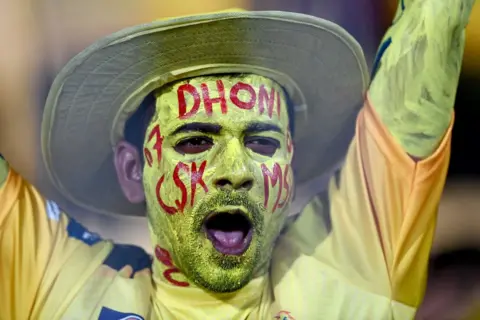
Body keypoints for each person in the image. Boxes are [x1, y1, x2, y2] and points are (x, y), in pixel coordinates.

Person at [0, 1, 475, 319]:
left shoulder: (346, 274)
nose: (236, 170)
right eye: (194, 142)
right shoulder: (69, 289)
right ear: (131, 170)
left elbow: (430, 36)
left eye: (262, 143)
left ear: (289, 166)